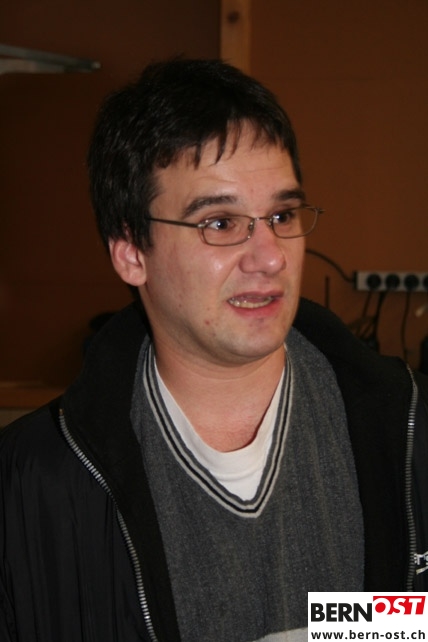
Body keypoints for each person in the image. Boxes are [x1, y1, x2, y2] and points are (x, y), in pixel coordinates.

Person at [1, 58, 427, 642]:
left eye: (281, 215)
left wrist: (349, 625)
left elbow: (405, 619)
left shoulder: (405, 434)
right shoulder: (31, 486)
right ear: (131, 252)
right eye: (221, 223)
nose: (270, 256)